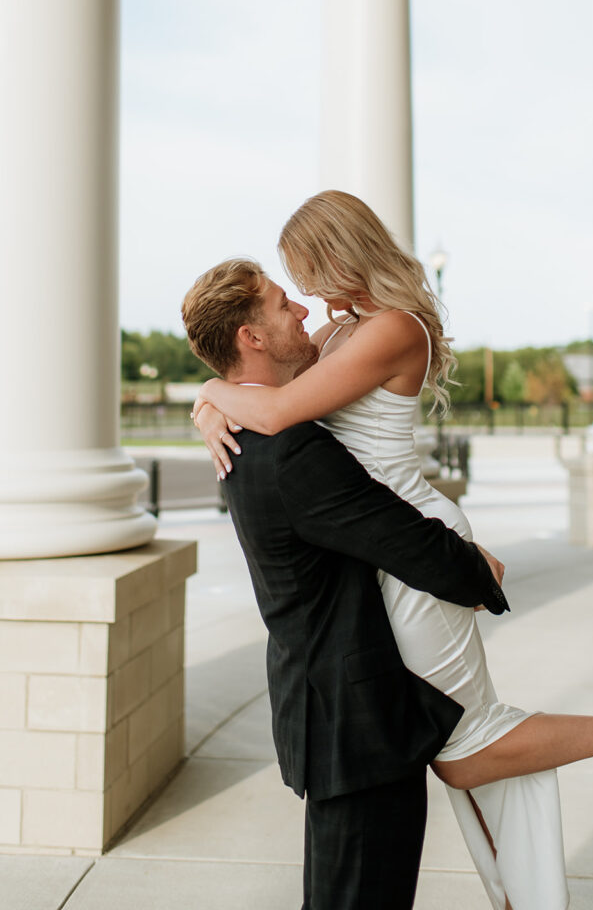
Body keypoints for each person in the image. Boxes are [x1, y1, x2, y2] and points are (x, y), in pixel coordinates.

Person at [190, 192, 593, 910]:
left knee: (464, 747)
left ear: (338, 254)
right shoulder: (338, 334)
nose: (303, 295)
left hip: (413, 545)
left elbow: (267, 407)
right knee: (453, 746)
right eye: (286, 287)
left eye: (304, 271)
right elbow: (259, 383)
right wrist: (214, 397)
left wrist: (208, 393)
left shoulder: (394, 328)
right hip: (380, 548)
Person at [181, 258, 511, 910]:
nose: (303, 308)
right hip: (355, 729)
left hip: (332, 715)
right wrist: (478, 572)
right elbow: (398, 537)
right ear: (250, 338)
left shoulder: (248, 430)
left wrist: (209, 395)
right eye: (282, 304)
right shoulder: (294, 452)